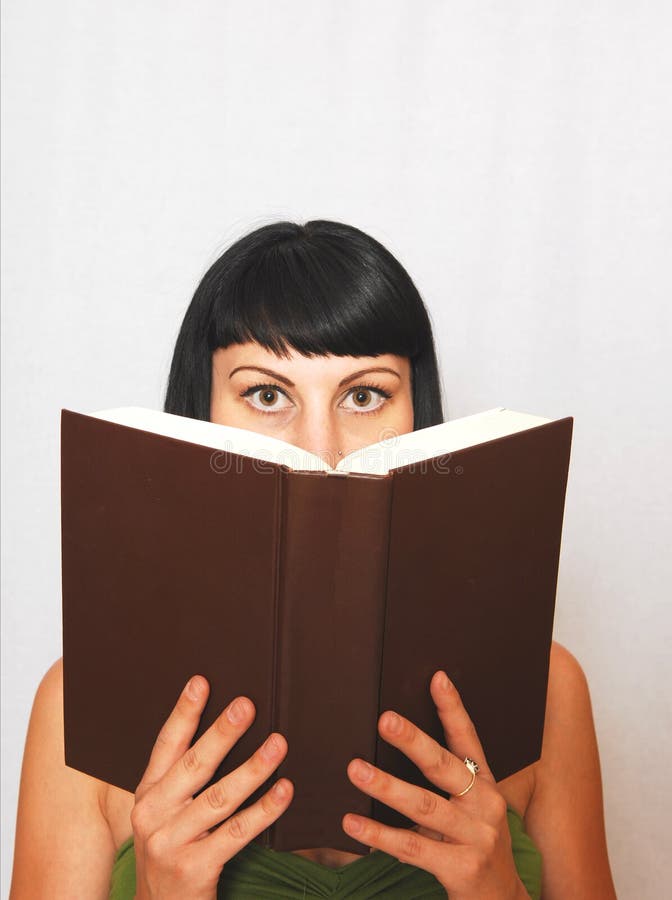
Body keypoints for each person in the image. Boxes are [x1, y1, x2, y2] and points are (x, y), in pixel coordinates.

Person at [10, 220, 617, 899]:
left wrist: (496, 890)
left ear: (418, 415)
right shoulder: (81, 705)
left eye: (365, 395)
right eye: (267, 395)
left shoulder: (547, 690)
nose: (324, 447)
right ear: (198, 415)